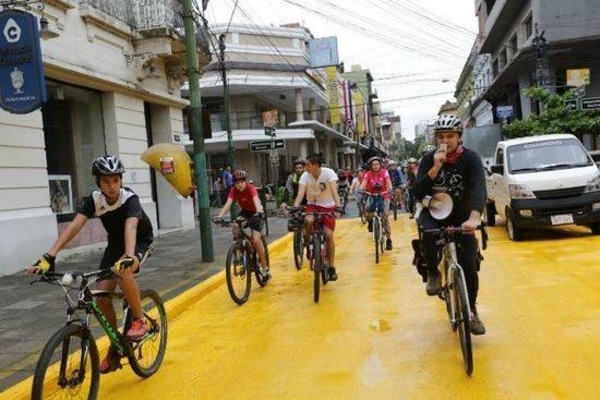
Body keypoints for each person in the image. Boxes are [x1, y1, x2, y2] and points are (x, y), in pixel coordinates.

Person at [26, 155, 155, 373]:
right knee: (101, 296)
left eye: (115, 180)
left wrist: (130, 256)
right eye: (106, 181)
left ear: (121, 180)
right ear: (98, 182)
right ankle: (117, 346)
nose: (112, 186)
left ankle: (140, 320)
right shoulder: (94, 200)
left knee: (124, 273)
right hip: (115, 244)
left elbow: (131, 227)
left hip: (139, 241)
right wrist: (50, 256)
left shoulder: (129, 198)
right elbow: (74, 227)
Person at [414, 114, 487, 335]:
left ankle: (472, 310)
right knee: (426, 232)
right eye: (441, 137)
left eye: (450, 136)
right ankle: (434, 272)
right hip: (434, 212)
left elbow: (478, 189)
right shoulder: (428, 159)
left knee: (468, 264)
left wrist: (474, 218)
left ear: (459, 137)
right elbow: (418, 192)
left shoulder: (471, 159)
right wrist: (435, 168)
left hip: (462, 216)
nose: (446, 141)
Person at [213, 170, 270, 280]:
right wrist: (219, 217)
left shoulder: (250, 188)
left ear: (245, 182)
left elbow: (256, 201)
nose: (239, 185)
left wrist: (258, 213)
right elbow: (228, 204)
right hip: (245, 212)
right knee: (235, 225)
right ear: (234, 183)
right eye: (237, 182)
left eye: (242, 182)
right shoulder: (234, 190)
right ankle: (238, 253)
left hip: (257, 212)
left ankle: (264, 267)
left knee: (256, 239)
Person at [293, 153, 342, 281]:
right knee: (308, 221)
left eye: (308, 165)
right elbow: (300, 193)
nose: (305, 167)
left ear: (315, 165)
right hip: (312, 205)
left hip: (328, 206)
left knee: (328, 235)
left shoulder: (328, 173)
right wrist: (295, 207)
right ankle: (309, 243)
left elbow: (334, 191)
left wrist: (338, 206)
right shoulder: (305, 175)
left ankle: (331, 267)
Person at [360, 156, 394, 250]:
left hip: (384, 196)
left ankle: (388, 240)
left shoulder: (384, 172)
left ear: (380, 165)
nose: (375, 166)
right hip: (372, 195)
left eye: (377, 164)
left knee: (385, 217)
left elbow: (388, 182)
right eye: (373, 164)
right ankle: (370, 222)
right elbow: (364, 183)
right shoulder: (368, 174)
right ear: (371, 166)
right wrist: (360, 190)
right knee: (366, 209)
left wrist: (390, 189)